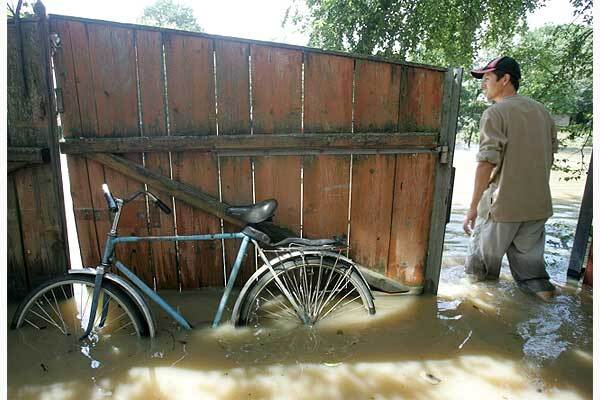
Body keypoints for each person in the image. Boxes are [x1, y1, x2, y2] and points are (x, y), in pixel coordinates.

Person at [463, 56, 558, 301]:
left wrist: (472, 208)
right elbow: (549, 158)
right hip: (536, 209)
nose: (483, 84)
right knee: (535, 281)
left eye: (487, 78)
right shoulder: (542, 112)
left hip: (501, 209)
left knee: (478, 278)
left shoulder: (495, 113)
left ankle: (481, 328)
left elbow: (486, 163)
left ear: (505, 79)